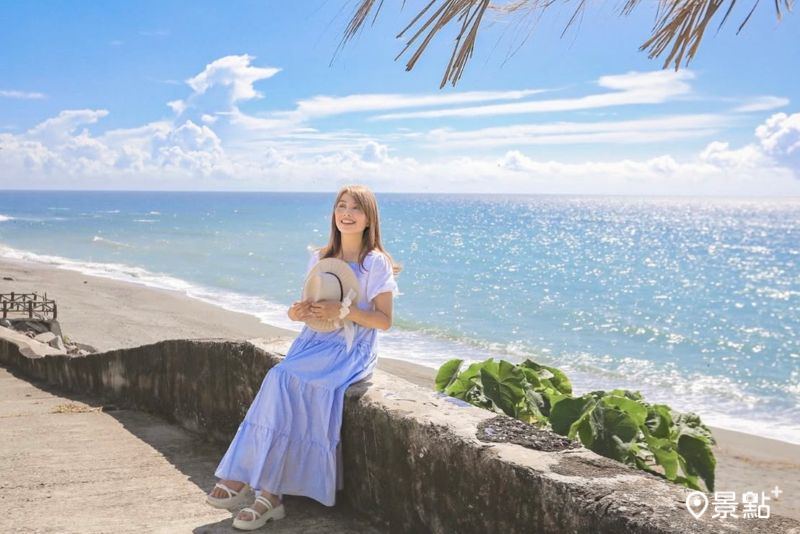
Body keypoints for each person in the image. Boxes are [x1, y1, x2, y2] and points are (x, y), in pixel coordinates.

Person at [206, 184, 400, 530]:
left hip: (351, 348)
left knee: (284, 379)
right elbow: (311, 307)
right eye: (341, 206)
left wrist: (345, 310)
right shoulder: (321, 257)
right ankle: (267, 493)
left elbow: (384, 321)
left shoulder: (375, 263)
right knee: (281, 380)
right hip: (314, 340)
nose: (347, 213)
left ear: (369, 218)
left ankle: (262, 489)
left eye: (356, 208)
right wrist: (298, 313)